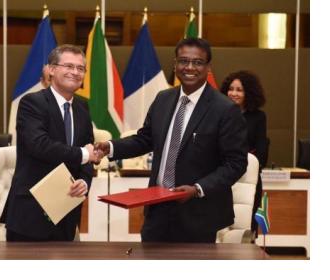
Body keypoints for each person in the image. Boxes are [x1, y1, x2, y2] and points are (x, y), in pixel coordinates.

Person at [95, 38, 248, 243]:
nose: (190, 67)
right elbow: (145, 139)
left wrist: (197, 189)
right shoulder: (163, 99)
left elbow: (236, 164)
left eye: (197, 62)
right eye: (184, 61)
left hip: (199, 213)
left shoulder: (225, 110)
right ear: (175, 64)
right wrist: (110, 147)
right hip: (157, 209)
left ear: (208, 68)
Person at [0, 44, 100, 241]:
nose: (75, 72)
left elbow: (88, 147)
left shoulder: (82, 107)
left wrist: (84, 183)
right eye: (68, 66)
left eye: (80, 68)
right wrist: (85, 154)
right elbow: (39, 145)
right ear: (52, 70)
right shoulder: (32, 102)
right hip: (30, 213)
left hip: (66, 210)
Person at [220, 70, 268, 236]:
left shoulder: (258, 117)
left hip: (248, 177)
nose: (234, 93)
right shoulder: (219, 114)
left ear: (249, 93)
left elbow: (261, 153)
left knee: (246, 226)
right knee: (221, 225)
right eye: (231, 89)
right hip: (222, 176)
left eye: (239, 90)